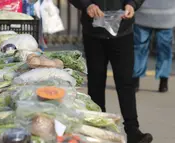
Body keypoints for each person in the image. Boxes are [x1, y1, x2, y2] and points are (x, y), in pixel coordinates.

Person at [68, 0, 153, 143]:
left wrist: (132, 4)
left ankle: (133, 131)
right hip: (93, 32)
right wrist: (87, 5)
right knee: (96, 83)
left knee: (126, 83)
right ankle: (98, 130)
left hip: (123, 30)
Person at [133, 1, 175, 93]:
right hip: (144, 14)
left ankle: (163, 79)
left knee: (141, 49)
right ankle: (136, 79)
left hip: (165, 15)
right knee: (141, 49)